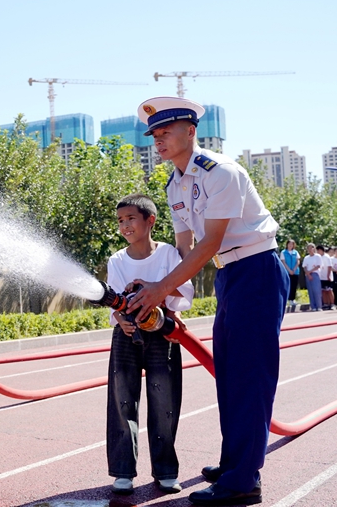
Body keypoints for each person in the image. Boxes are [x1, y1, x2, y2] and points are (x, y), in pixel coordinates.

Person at [127, 96, 288, 506]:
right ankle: (235, 462)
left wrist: (160, 288)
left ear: (191, 131)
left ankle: (244, 481)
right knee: (230, 375)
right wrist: (164, 292)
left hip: (256, 270)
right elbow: (186, 249)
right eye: (154, 135)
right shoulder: (174, 185)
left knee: (249, 377)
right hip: (229, 275)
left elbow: (210, 241)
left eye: (166, 132)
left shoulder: (221, 172)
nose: (158, 140)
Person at [104, 194, 194, 496]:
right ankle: (123, 472)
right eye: (120, 220)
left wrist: (166, 304)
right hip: (126, 335)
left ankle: (166, 471)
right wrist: (121, 319)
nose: (125, 225)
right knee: (122, 401)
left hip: (162, 334)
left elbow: (184, 289)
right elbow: (115, 300)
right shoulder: (117, 260)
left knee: (164, 402)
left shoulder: (168, 253)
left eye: (131, 218)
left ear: (150, 220)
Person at [302, 243, 323, 312]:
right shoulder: (306, 258)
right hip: (308, 275)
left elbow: (318, 266)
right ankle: (313, 306)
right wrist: (308, 274)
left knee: (316, 291)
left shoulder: (317, 256)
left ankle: (319, 306)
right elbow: (304, 266)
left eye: (312, 247)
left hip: (315, 274)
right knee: (310, 291)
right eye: (309, 248)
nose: (310, 249)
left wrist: (310, 271)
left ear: (314, 248)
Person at [281, 240, 300, 313]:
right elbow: (283, 262)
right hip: (287, 272)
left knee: (294, 286)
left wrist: (294, 269)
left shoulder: (295, 252)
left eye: (292, 244)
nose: (290, 245)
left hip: (295, 272)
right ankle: (287, 299)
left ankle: (292, 299)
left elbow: (298, 261)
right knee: (287, 286)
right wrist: (289, 270)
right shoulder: (283, 252)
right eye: (289, 244)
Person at [317, 246, 333, 310]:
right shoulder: (318, 257)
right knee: (323, 291)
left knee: (329, 291)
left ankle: (332, 304)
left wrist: (328, 275)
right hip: (321, 277)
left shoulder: (327, 257)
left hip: (327, 277)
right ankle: (326, 304)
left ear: (322, 250)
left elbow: (330, 266)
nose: (318, 252)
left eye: (319, 250)